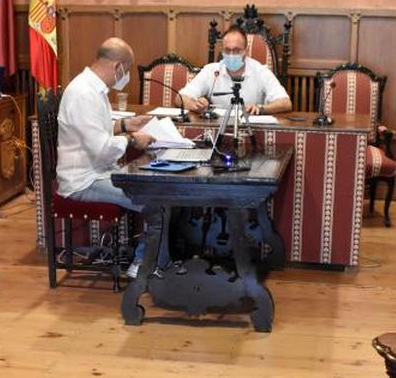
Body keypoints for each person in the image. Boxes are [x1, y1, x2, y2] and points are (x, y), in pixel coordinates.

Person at [56, 37, 159, 278]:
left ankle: (154, 258)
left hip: (98, 171)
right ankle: (142, 265)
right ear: (118, 66)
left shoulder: (93, 88)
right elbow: (100, 148)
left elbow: (95, 129)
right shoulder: (83, 93)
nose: (126, 76)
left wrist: (125, 124)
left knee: (158, 192)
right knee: (156, 202)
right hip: (84, 181)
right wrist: (133, 140)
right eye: (128, 70)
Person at [177, 25, 291, 116]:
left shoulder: (260, 71)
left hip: (250, 128)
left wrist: (261, 108)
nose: (231, 55)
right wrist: (195, 105)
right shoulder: (211, 70)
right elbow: (180, 98)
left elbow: (285, 103)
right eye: (227, 50)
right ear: (222, 51)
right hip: (218, 129)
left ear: (246, 51)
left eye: (236, 50)